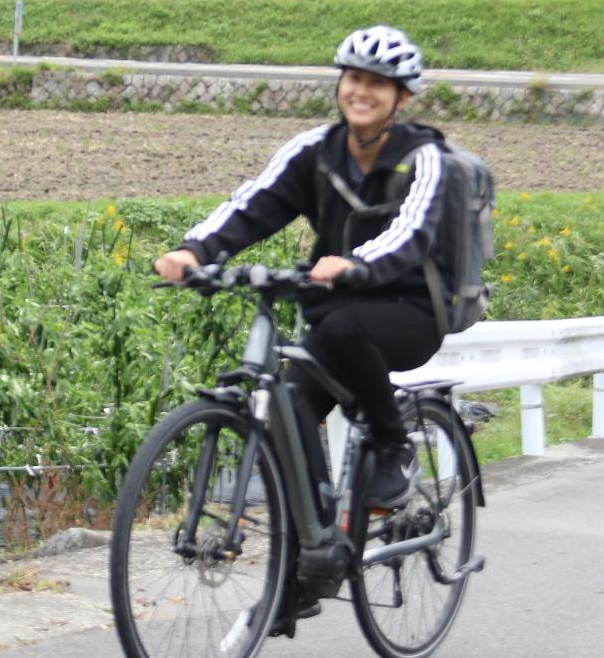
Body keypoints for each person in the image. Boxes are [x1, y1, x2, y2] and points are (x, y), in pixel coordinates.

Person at [152, 25, 450, 513]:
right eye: (353, 78)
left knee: (342, 329)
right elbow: (254, 204)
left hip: (411, 307)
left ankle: (392, 445)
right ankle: (313, 542)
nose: (361, 91)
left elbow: (411, 234)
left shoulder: (424, 158)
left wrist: (355, 263)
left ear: (401, 97)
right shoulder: (314, 150)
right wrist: (195, 252)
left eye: (377, 83)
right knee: (288, 405)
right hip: (337, 313)